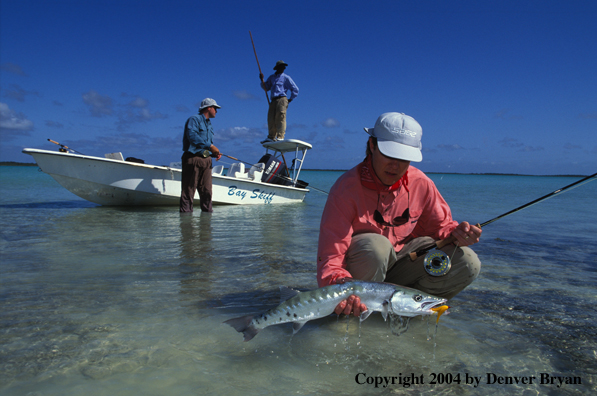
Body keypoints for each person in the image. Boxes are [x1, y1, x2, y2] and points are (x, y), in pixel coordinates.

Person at [316, 112, 482, 317]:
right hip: (359, 278)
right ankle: (354, 313)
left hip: (402, 268)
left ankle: (410, 313)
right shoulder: (345, 189)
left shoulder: (422, 184)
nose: (396, 165)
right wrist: (337, 291)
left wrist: (459, 233)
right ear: (372, 146)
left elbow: (441, 228)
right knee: (377, 246)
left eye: (404, 158)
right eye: (389, 155)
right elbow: (331, 256)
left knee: (466, 261)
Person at [179, 98, 223, 213]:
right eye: (215, 108)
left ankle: (206, 226)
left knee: (207, 192)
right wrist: (211, 146)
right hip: (193, 159)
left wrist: (213, 153)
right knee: (188, 192)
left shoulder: (209, 124)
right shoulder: (194, 119)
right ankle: (186, 226)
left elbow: (204, 146)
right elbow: (192, 137)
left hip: (206, 161)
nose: (216, 111)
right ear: (208, 108)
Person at [259, 60, 299, 143]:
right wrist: (262, 79)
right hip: (273, 100)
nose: (283, 68)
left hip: (282, 99)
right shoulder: (271, 77)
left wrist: (290, 99)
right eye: (281, 66)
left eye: (284, 67)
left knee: (280, 118)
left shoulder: (286, 77)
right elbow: (266, 88)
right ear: (277, 68)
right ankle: (271, 136)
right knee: (271, 118)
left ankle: (280, 136)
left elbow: (295, 89)